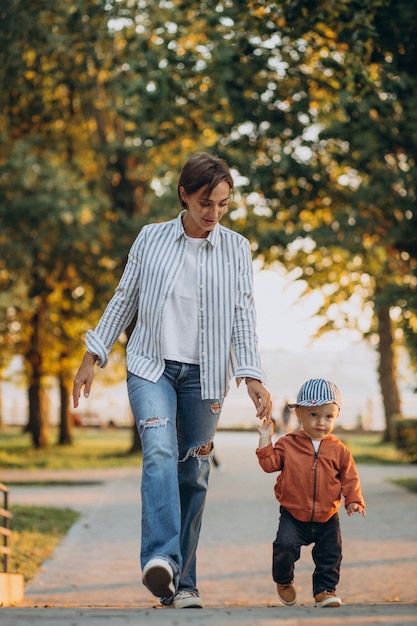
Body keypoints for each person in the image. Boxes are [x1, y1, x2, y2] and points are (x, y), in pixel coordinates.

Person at [72, 152, 272, 609]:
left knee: (193, 472)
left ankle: (183, 584)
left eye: (222, 204)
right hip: (151, 366)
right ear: (184, 194)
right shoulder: (151, 238)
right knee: (160, 449)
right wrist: (92, 355)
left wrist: (252, 373)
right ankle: (160, 559)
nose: (214, 214)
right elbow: (125, 298)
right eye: (205, 203)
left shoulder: (236, 249)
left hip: (205, 377)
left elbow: (244, 314)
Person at [256, 378, 365, 608]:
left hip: (327, 515)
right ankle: (284, 581)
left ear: (336, 417)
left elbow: (350, 477)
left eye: (328, 416)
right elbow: (269, 464)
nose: (321, 422)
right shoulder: (288, 443)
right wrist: (266, 437)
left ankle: (325, 591)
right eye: (313, 415)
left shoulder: (339, 450)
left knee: (331, 554)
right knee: (284, 547)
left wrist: (353, 500)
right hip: (293, 514)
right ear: (299, 414)